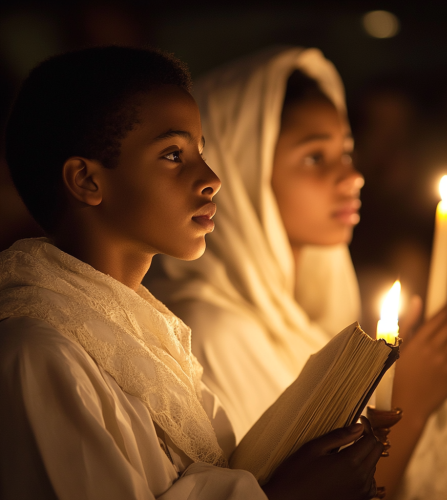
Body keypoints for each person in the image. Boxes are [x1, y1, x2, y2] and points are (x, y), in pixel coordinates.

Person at [0, 46, 383, 500]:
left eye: (201, 152)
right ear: (87, 181)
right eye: (172, 155)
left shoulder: (154, 340)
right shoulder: (39, 356)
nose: (211, 178)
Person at [146, 47, 447, 499]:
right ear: (245, 173)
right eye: (314, 158)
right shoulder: (210, 329)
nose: (352, 176)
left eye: (346, 151)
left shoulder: (306, 317)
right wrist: (411, 406)